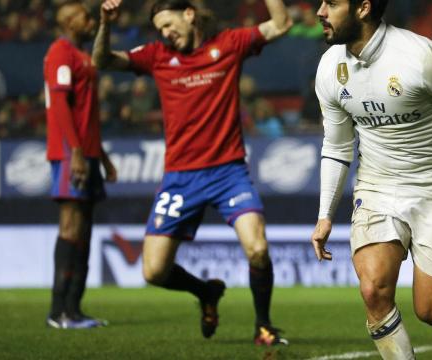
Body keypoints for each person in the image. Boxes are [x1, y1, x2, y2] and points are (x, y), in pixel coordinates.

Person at [92, 0, 292, 345]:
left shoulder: (228, 44)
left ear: (189, 14)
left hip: (229, 172)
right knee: (153, 271)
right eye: (160, 30)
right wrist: (105, 23)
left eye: (168, 24)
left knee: (257, 248)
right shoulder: (156, 55)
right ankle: (205, 292)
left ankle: (264, 326)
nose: (165, 34)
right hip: (180, 178)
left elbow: (281, 23)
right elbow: (102, 60)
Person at [310, 1, 432, 358]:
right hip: (377, 186)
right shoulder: (329, 68)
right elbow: (336, 147)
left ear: (364, 8)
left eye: (332, 3)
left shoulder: (423, 58)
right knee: (373, 291)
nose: (320, 11)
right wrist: (325, 215)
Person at [44, 0, 117, 329]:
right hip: (68, 152)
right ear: (71, 22)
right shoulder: (60, 53)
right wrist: (74, 151)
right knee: (71, 226)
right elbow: (60, 104)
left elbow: (86, 115)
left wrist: (101, 157)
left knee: (85, 232)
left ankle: (74, 310)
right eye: (87, 18)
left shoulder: (84, 57)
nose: (91, 22)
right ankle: (58, 311)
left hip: (86, 152)